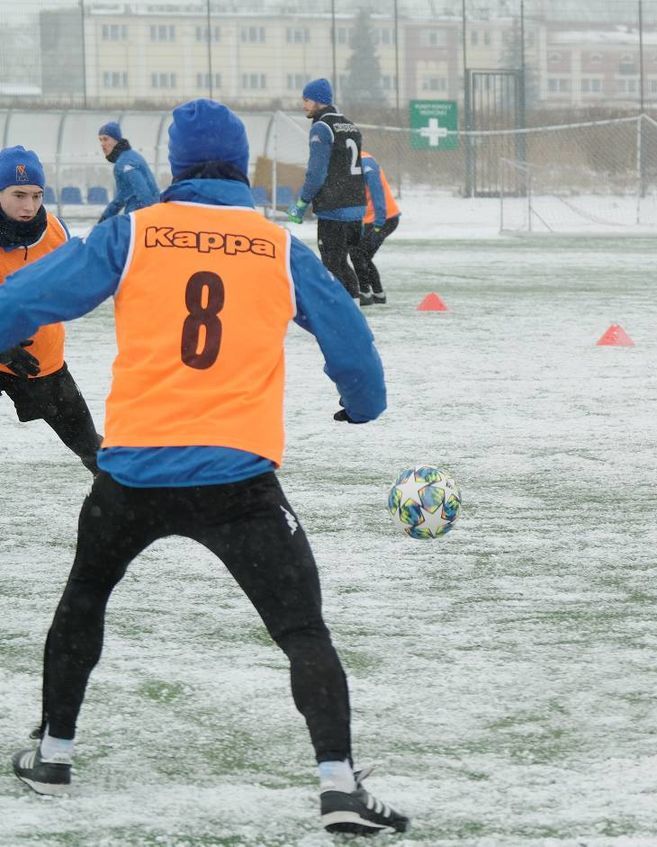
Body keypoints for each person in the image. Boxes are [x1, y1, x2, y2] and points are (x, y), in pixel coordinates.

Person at [0, 99, 407, 836]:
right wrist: (363, 402)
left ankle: (54, 753)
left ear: (176, 165)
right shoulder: (277, 245)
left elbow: (28, 298)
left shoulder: (134, 232)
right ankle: (339, 785)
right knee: (301, 629)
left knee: (84, 599)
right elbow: (348, 335)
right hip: (238, 479)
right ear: (244, 164)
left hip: (132, 474)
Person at [0, 145, 102, 475]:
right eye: (18, 194)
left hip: (39, 361)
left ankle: (134, 508)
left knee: (93, 449)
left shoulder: (56, 232)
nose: (29, 205)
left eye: (37, 195)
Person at [288, 78, 366, 305]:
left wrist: (302, 202)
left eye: (307, 99)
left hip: (335, 207)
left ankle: (345, 315)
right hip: (356, 204)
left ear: (318, 101)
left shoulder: (322, 127)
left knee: (333, 264)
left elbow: (316, 173)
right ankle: (354, 307)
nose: (303, 104)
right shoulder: (350, 125)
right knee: (342, 263)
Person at [349, 150, 400, 306]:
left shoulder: (366, 162)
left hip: (385, 218)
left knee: (359, 253)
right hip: (371, 219)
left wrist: (379, 221)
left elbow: (377, 192)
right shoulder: (349, 162)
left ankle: (366, 292)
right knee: (361, 254)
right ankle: (377, 294)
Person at [95, 121, 159, 224]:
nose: (102, 144)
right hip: (140, 218)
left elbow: (143, 192)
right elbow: (121, 197)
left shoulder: (125, 162)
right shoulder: (128, 157)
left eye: (106, 139)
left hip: (139, 221)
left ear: (116, 140)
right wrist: (103, 221)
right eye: (100, 140)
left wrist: (147, 222)